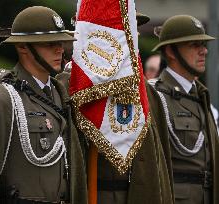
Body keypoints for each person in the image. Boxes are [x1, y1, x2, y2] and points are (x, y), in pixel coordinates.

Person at [0, 6, 87, 204]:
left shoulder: (60, 95)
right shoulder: (0, 97)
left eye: (60, 41)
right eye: (49, 43)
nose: (59, 49)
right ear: (23, 47)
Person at [56, 12, 174, 204]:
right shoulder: (67, 86)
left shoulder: (146, 92)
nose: (130, 38)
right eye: (121, 30)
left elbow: (160, 164)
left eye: (132, 31)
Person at [151, 15, 219, 204]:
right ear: (171, 51)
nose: (204, 51)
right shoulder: (156, 97)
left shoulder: (200, 96)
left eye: (203, 45)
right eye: (194, 45)